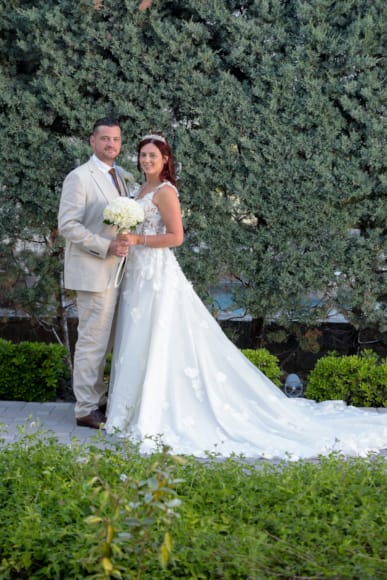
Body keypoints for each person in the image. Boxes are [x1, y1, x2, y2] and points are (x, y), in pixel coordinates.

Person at [104, 133, 387, 459]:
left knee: (159, 336)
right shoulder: (139, 190)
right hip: (137, 275)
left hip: (157, 274)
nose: (147, 160)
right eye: (143, 155)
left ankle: (157, 410)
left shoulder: (166, 192)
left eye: (153, 155)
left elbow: (176, 237)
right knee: (138, 337)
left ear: (165, 159)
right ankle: (132, 408)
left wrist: (138, 241)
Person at [58, 117, 134, 429]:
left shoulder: (123, 176)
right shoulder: (80, 177)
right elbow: (68, 225)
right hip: (93, 271)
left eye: (115, 139)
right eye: (104, 139)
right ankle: (85, 409)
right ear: (92, 141)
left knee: (111, 340)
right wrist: (105, 246)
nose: (111, 144)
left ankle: (100, 398)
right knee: (92, 341)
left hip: (120, 273)